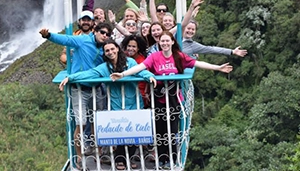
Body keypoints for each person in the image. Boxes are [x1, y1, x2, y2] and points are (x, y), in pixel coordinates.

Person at [110, 31, 233, 169]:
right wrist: (123, 74)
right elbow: (140, 67)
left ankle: (172, 158)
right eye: (162, 41)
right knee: (160, 130)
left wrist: (218, 67)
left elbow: (197, 63)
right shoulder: (155, 57)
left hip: (174, 98)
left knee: (172, 130)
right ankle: (162, 159)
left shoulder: (178, 56)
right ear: (159, 43)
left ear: (172, 42)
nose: (165, 43)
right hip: (158, 97)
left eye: (167, 41)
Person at [58, 39, 156, 171]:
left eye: (112, 49)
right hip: (116, 103)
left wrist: (149, 76)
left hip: (133, 101)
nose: (110, 52)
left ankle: (130, 157)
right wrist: (71, 78)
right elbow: (89, 74)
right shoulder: (105, 67)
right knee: (121, 133)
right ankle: (120, 159)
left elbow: (140, 70)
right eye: (107, 50)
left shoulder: (130, 62)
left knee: (134, 132)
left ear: (117, 49)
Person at [39, 22, 113, 169]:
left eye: (107, 34)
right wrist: (48, 35)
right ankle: (79, 158)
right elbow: (66, 40)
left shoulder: (105, 47)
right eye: (102, 32)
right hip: (79, 88)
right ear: (95, 31)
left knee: (97, 123)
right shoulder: (83, 40)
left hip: (96, 88)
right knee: (81, 123)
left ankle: (100, 153)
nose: (105, 36)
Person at [182, 20, 248, 58]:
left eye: (193, 29)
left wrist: (232, 51)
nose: (190, 31)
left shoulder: (193, 45)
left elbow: (211, 49)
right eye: (188, 28)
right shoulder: (175, 36)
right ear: (184, 28)